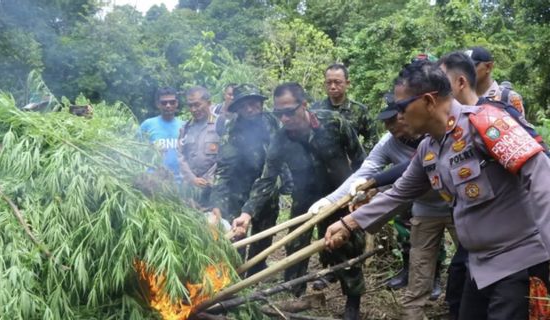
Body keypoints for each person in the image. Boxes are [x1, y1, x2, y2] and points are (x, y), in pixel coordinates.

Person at [324, 60, 550, 320]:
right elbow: (399, 193)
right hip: (479, 268)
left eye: (401, 107)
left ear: (429, 101)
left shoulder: (486, 123)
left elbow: (542, 179)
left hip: (519, 264)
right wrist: (349, 222)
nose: (398, 116)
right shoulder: (429, 149)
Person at [309, 93, 456, 319]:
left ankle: (461, 305)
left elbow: (403, 173)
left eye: (394, 120)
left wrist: (376, 186)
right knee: (419, 262)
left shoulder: (438, 132)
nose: (389, 127)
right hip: (424, 207)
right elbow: (368, 174)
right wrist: (331, 201)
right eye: (385, 123)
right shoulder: (388, 143)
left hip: (457, 206)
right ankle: (415, 312)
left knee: (469, 262)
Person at [231, 82, 366, 320]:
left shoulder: (334, 123)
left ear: (304, 105)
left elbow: (360, 159)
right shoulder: (280, 139)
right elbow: (267, 179)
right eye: (278, 113)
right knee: (295, 247)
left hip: (341, 194)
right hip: (305, 198)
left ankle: (353, 301)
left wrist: (361, 192)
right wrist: (247, 213)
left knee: (348, 246)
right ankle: (293, 297)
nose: (284, 118)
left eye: (289, 111)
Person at [438, 50, 550, 319]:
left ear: (461, 81)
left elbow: (538, 162)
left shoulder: (497, 112)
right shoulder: (445, 131)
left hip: (518, 245)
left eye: (440, 82)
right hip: (480, 246)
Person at [209, 84, 282, 276]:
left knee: (264, 233)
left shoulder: (271, 122)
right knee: (238, 234)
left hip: (268, 188)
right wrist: (217, 202)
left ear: (260, 103)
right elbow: (223, 169)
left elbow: (278, 156)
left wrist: (286, 179)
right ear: (238, 108)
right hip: (239, 189)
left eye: (254, 103)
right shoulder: (231, 129)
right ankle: (237, 275)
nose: (250, 109)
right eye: (245, 105)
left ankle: (256, 271)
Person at [311, 63, 378, 150]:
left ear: (347, 83)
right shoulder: (315, 109)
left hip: (350, 161)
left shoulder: (359, 110)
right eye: (329, 82)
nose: (333, 87)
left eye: (337, 82)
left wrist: (359, 157)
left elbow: (373, 139)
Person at [178, 86, 220, 209]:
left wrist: (208, 179)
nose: (194, 109)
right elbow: (180, 156)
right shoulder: (185, 129)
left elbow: (224, 158)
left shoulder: (220, 125)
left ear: (209, 103)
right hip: (191, 193)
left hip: (214, 192)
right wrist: (192, 178)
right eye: (190, 106)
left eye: (197, 105)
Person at [139, 87, 185, 180]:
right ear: (158, 104)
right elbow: (137, 150)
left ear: (176, 103)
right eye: (164, 103)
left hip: (180, 182)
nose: (168, 105)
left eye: (172, 102)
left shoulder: (184, 126)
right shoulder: (147, 125)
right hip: (154, 181)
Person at [465, 46, 526, 115]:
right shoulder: (462, 98)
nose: (465, 72)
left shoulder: (509, 97)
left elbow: (520, 125)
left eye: (471, 67)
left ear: (488, 67)